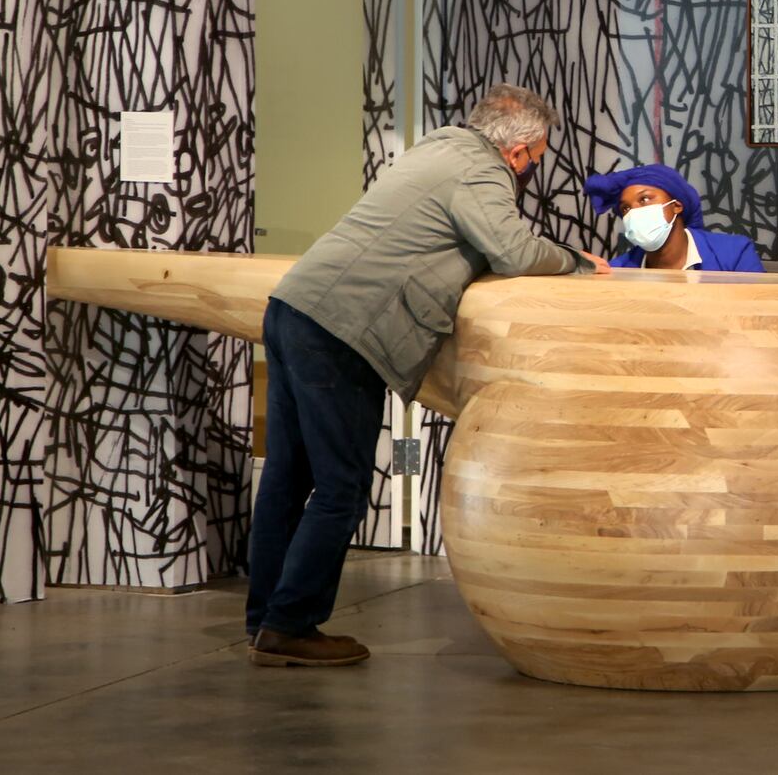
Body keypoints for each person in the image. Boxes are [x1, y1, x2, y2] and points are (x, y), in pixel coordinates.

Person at [247, 84, 610, 667]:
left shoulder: (435, 149)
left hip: (294, 308)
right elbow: (515, 252)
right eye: (535, 161)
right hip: (344, 330)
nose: (530, 172)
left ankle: (264, 619)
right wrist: (575, 262)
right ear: (518, 152)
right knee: (339, 488)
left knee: (289, 478)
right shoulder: (480, 172)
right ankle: (291, 624)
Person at [583, 164, 764, 272]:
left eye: (644, 199)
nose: (633, 213)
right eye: (626, 208)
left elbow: (760, 312)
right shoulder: (619, 270)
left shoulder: (735, 253)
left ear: (676, 206)